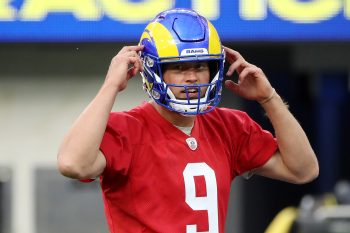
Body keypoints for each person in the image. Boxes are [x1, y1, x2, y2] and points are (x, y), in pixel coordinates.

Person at [57, 8, 319, 233]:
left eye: (200, 66)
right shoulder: (127, 129)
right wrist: (110, 86)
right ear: (153, 70)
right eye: (179, 68)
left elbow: (303, 170)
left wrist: (269, 98)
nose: (192, 78)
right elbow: (72, 164)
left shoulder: (228, 126)